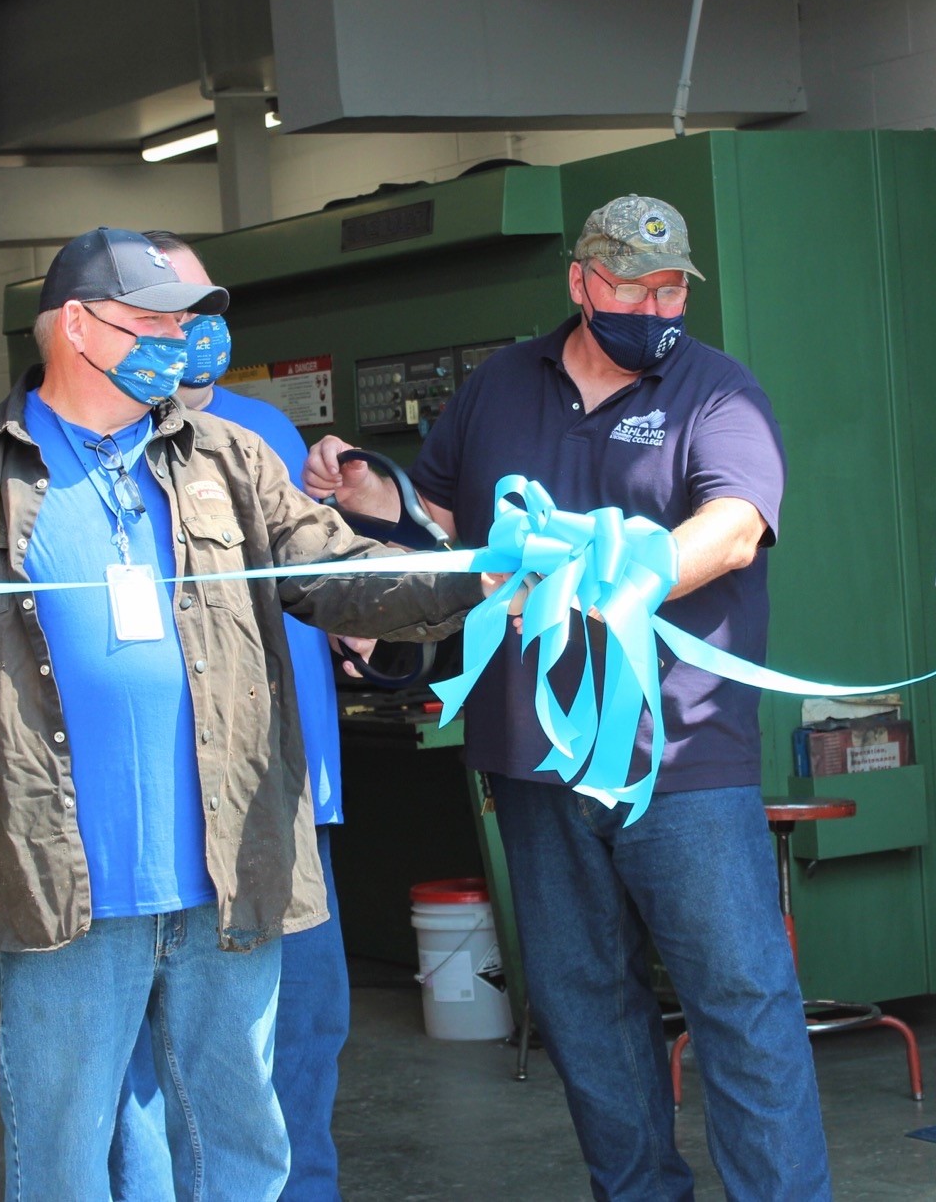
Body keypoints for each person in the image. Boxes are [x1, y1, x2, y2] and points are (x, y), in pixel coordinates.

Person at [0, 226, 489, 1202]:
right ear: (77, 326)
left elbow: (337, 576)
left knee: (238, 1144)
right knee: (66, 1156)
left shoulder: (229, 459)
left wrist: (476, 575)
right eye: (154, 320)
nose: (180, 342)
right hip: (54, 880)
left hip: (226, 872)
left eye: (187, 321)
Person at [307, 196, 831, 1200]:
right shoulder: (501, 385)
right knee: (585, 1009)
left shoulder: (717, 392)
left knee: (739, 1001)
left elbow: (731, 524)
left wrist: (625, 579)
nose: (653, 302)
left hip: (677, 760)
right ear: (578, 283)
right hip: (530, 757)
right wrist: (372, 498)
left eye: (670, 284)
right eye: (630, 284)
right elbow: (451, 523)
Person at [108, 232, 356, 1201]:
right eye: (172, 310)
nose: (195, 329)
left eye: (206, 307)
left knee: (303, 1029)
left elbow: (327, 583)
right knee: (160, 1055)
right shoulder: (96, 445)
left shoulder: (265, 436)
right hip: (174, 809)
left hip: (289, 795)